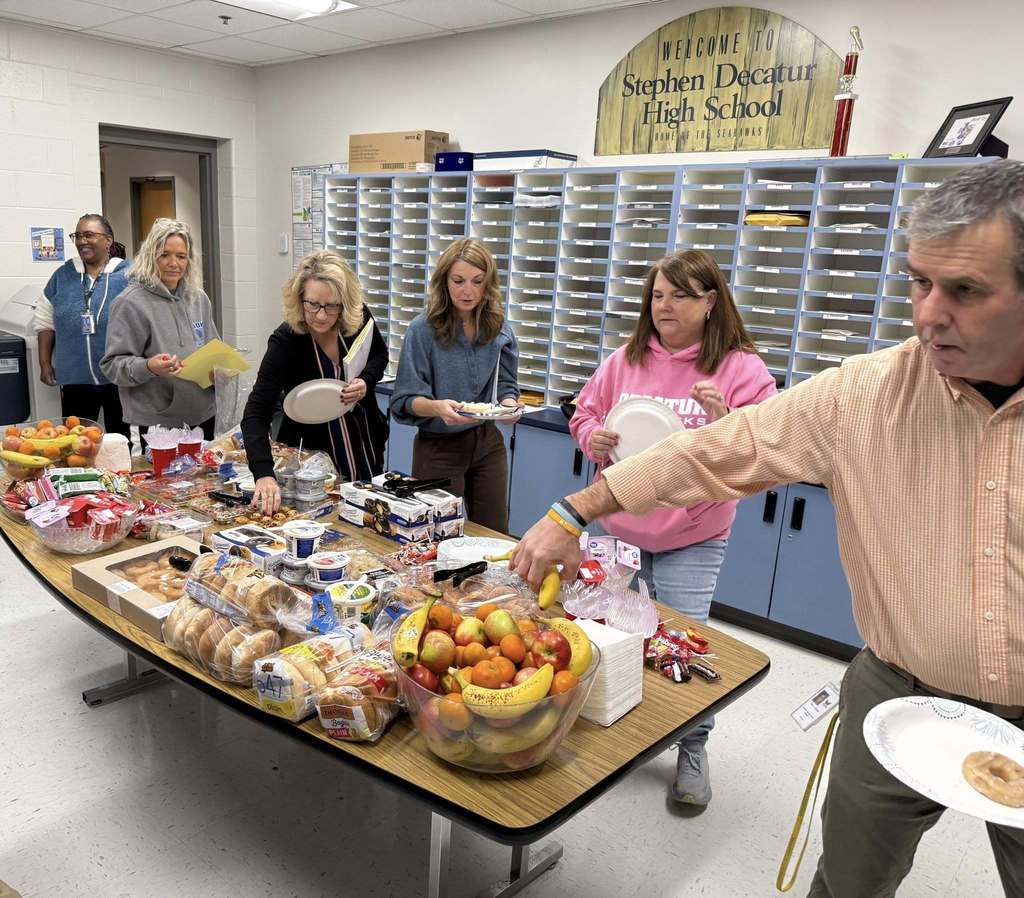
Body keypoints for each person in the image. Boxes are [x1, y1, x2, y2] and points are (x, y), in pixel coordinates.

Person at [510, 158, 1024, 897]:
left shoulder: (742, 363)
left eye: (966, 290)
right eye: (918, 281)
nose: (928, 314)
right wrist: (576, 508)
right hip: (897, 690)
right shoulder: (862, 395)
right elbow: (713, 452)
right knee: (849, 879)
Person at [570, 249, 776, 805]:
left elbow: (764, 451)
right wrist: (594, 438)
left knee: (683, 641)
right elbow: (583, 413)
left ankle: (692, 747)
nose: (664, 306)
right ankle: (612, 723)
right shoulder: (624, 360)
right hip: (616, 526)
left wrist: (723, 423)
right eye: (657, 295)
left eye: (679, 295)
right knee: (606, 630)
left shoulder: (742, 370)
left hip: (693, 533)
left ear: (710, 302)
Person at [244, 250, 389, 514]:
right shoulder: (285, 341)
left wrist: (366, 381)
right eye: (312, 304)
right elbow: (255, 413)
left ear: (345, 304)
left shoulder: (358, 318)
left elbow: (380, 355)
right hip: (312, 463)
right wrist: (263, 472)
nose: (321, 316)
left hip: (364, 448)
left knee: (367, 516)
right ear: (300, 300)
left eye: (331, 306)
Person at [390, 238, 520, 532]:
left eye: (477, 281)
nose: (468, 291)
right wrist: (437, 407)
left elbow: (507, 387)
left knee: (494, 533)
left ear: (488, 284)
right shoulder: (422, 330)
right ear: (444, 281)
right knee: (436, 534)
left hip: (487, 442)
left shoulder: (498, 326)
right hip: (439, 447)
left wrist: (509, 406)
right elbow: (404, 400)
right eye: (458, 281)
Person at [101, 218, 219, 445]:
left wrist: (219, 369)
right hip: (158, 422)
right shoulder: (129, 303)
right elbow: (112, 366)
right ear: (150, 256)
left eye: (181, 256)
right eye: (164, 254)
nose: (173, 263)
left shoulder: (198, 298)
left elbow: (212, 348)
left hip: (203, 414)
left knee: (204, 480)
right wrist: (149, 367)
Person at [33, 214, 130, 438]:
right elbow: (44, 321)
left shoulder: (129, 275)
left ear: (108, 240)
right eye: (77, 235)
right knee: (76, 442)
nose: (81, 241)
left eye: (89, 235)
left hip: (120, 377)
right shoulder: (63, 276)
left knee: (120, 440)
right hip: (75, 378)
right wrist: (44, 363)